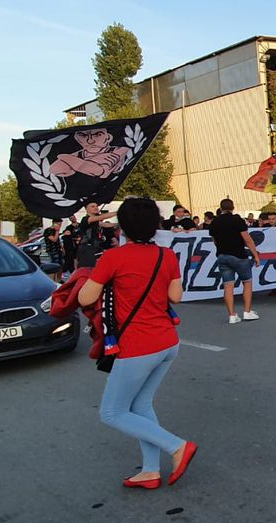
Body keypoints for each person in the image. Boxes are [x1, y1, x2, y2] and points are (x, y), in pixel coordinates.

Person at [76, 197, 197, 490]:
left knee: (112, 412)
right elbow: (176, 297)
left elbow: (85, 299)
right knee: (141, 405)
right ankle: (150, 471)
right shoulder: (166, 255)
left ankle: (177, 446)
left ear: (122, 227)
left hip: (137, 346)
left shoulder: (114, 258)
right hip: (167, 341)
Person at [209, 197, 263, 324]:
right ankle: (247, 311)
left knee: (228, 286)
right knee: (247, 282)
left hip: (222, 256)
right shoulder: (237, 221)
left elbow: (214, 240)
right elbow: (247, 239)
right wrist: (255, 255)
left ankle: (232, 315)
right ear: (232, 208)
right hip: (239, 255)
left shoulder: (214, 222)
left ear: (221, 208)